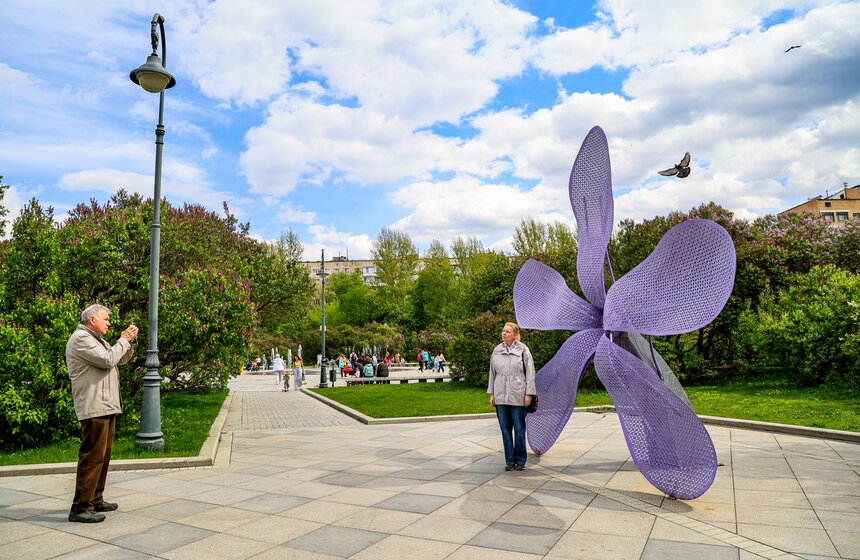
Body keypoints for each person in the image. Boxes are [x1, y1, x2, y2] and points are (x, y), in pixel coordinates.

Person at [66, 304, 138, 523]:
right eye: (105, 319)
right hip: (94, 405)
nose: (109, 322)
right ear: (92, 319)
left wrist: (129, 342)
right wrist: (123, 339)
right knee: (91, 456)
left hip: (105, 405)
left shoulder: (97, 338)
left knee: (103, 456)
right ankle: (80, 507)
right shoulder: (81, 339)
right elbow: (107, 359)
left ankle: (95, 499)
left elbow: (119, 359)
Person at [488, 322, 535, 471]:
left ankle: (520, 459)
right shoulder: (497, 350)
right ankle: (509, 460)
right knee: (505, 429)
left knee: (520, 429)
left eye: (508, 331)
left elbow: (530, 373)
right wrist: (492, 394)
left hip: (518, 395)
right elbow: (492, 374)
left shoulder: (523, 350)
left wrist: (529, 394)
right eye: (503, 331)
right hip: (501, 396)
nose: (504, 333)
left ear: (515, 334)